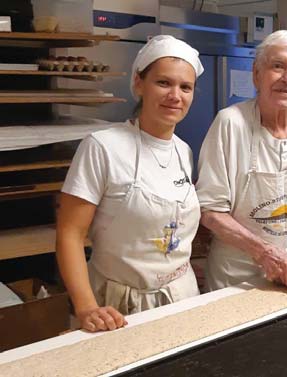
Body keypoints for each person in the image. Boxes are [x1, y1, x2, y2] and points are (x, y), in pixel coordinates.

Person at [56, 35, 204, 332]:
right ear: (139, 84)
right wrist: (87, 308)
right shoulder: (103, 147)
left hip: (180, 296)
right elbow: (69, 234)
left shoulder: (183, 150)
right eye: (163, 83)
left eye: (185, 87)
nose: (175, 95)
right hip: (116, 304)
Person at [196, 30, 287, 291]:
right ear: (256, 75)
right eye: (277, 66)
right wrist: (263, 252)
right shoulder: (230, 123)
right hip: (236, 277)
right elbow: (211, 212)